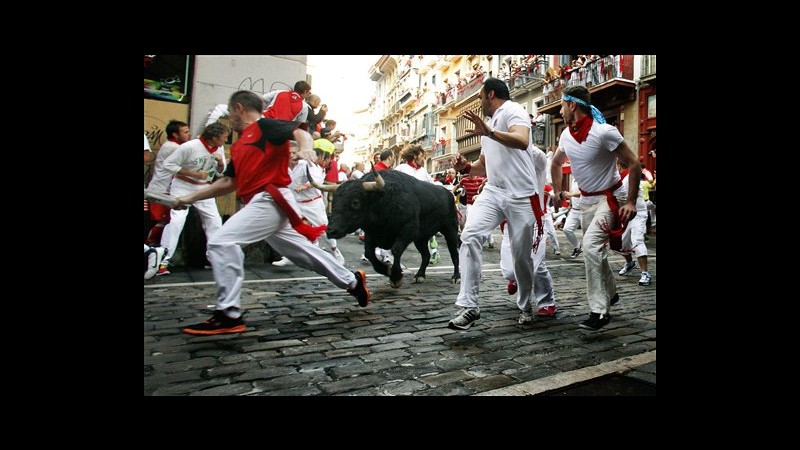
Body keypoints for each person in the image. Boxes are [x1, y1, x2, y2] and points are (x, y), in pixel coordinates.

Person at [171, 90, 370, 335]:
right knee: (302, 252)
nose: (229, 118)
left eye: (231, 112)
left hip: (270, 199)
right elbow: (227, 183)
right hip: (263, 203)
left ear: (240, 108)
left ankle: (228, 313)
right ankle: (352, 281)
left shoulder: (264, 125)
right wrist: (187, 198)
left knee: (222, 242)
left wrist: (307, 148)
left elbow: (299, 132)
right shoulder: (243, 143)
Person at [448, 77, 541, 330]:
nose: (479, 103)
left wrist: (488, 132)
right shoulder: (488, 125)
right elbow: (483, 166)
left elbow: (521, 140)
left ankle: (525, 305)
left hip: (521, 194)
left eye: (479, 97)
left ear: (490, 95)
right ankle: (469, 306)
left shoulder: (513, 110)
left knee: (521, 257)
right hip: (494, 191)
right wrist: (465, 167)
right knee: (470, 235)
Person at [550, 85, 641, 331]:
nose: (560, 110)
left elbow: (634, 163)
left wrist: (631, 201)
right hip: (587, 201)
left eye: (562, 105)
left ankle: (600, 311)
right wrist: (558, 190)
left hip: (610, 198)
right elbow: (556, 163)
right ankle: (611, 293)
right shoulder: (566, 136)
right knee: (595, 251)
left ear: (572, 105)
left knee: (590, 246)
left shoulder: (604, 132)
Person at [157, 122, 229, 275]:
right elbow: (168, 165)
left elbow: (221, 172)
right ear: (214, 137)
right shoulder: (190, 146)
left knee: (214, 222)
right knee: (177, 221)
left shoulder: (219, 148)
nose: (225, 140)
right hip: (183, 186)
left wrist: (221, 162)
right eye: (223, 137)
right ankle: (162, 260)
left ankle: (214, 259)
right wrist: (193, 174)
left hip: (204, 188)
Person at [145, 120, 191, 246]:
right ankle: (150, 250)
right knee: (161, 222)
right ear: (175, 135)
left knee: (166, 222)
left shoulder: (173, 145)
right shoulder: (173, 147)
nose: (189, 134)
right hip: (160, 191)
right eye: (186, 132)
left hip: (165, 190)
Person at [617, 160, 651, 286]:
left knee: (637, 241)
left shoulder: (630, 177)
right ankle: (630, 263)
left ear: (619, 165)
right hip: (627, 215)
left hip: (638, 213)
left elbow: (633, 194)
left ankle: (645, 273)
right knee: (621, 243)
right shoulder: (621, 178)